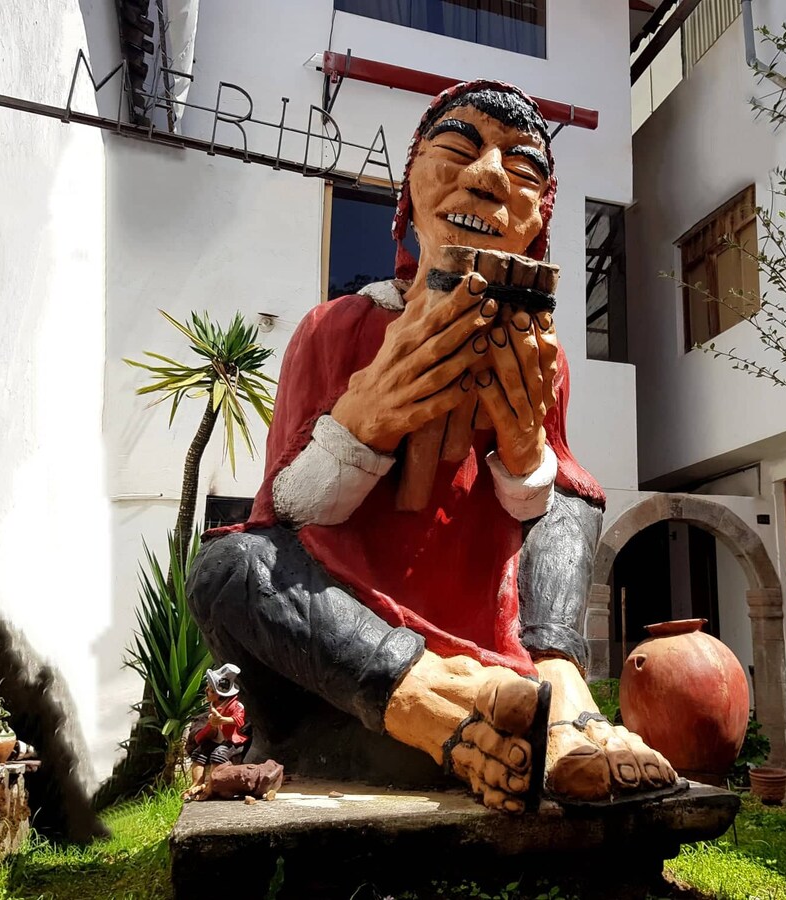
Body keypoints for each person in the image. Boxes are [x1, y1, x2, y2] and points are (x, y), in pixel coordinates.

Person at [187, 80, 676, 813]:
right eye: (457, 148)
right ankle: (451, 703)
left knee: (570, 495)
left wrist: (524, 452)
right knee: (229, 568)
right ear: (410, 186)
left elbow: (541, 509)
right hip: (352, 648)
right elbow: (285, 515)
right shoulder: (335, 328)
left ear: (538, 221)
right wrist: (365, 422)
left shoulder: (539, 351)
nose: (487, 178)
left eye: (523, 169)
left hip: (488, 614)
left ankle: (556, 680)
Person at [184, 664, 250, 801]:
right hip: (216, 739)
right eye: (208, 688)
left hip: (230, 741)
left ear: (220, 694)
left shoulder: (236, 706)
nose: (206, 691)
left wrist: (223, 720)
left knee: (218, 754)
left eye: (210, 689)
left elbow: (239, 720)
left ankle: (211, 787)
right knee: (199, 753)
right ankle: (196, 783)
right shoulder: (213, 705)